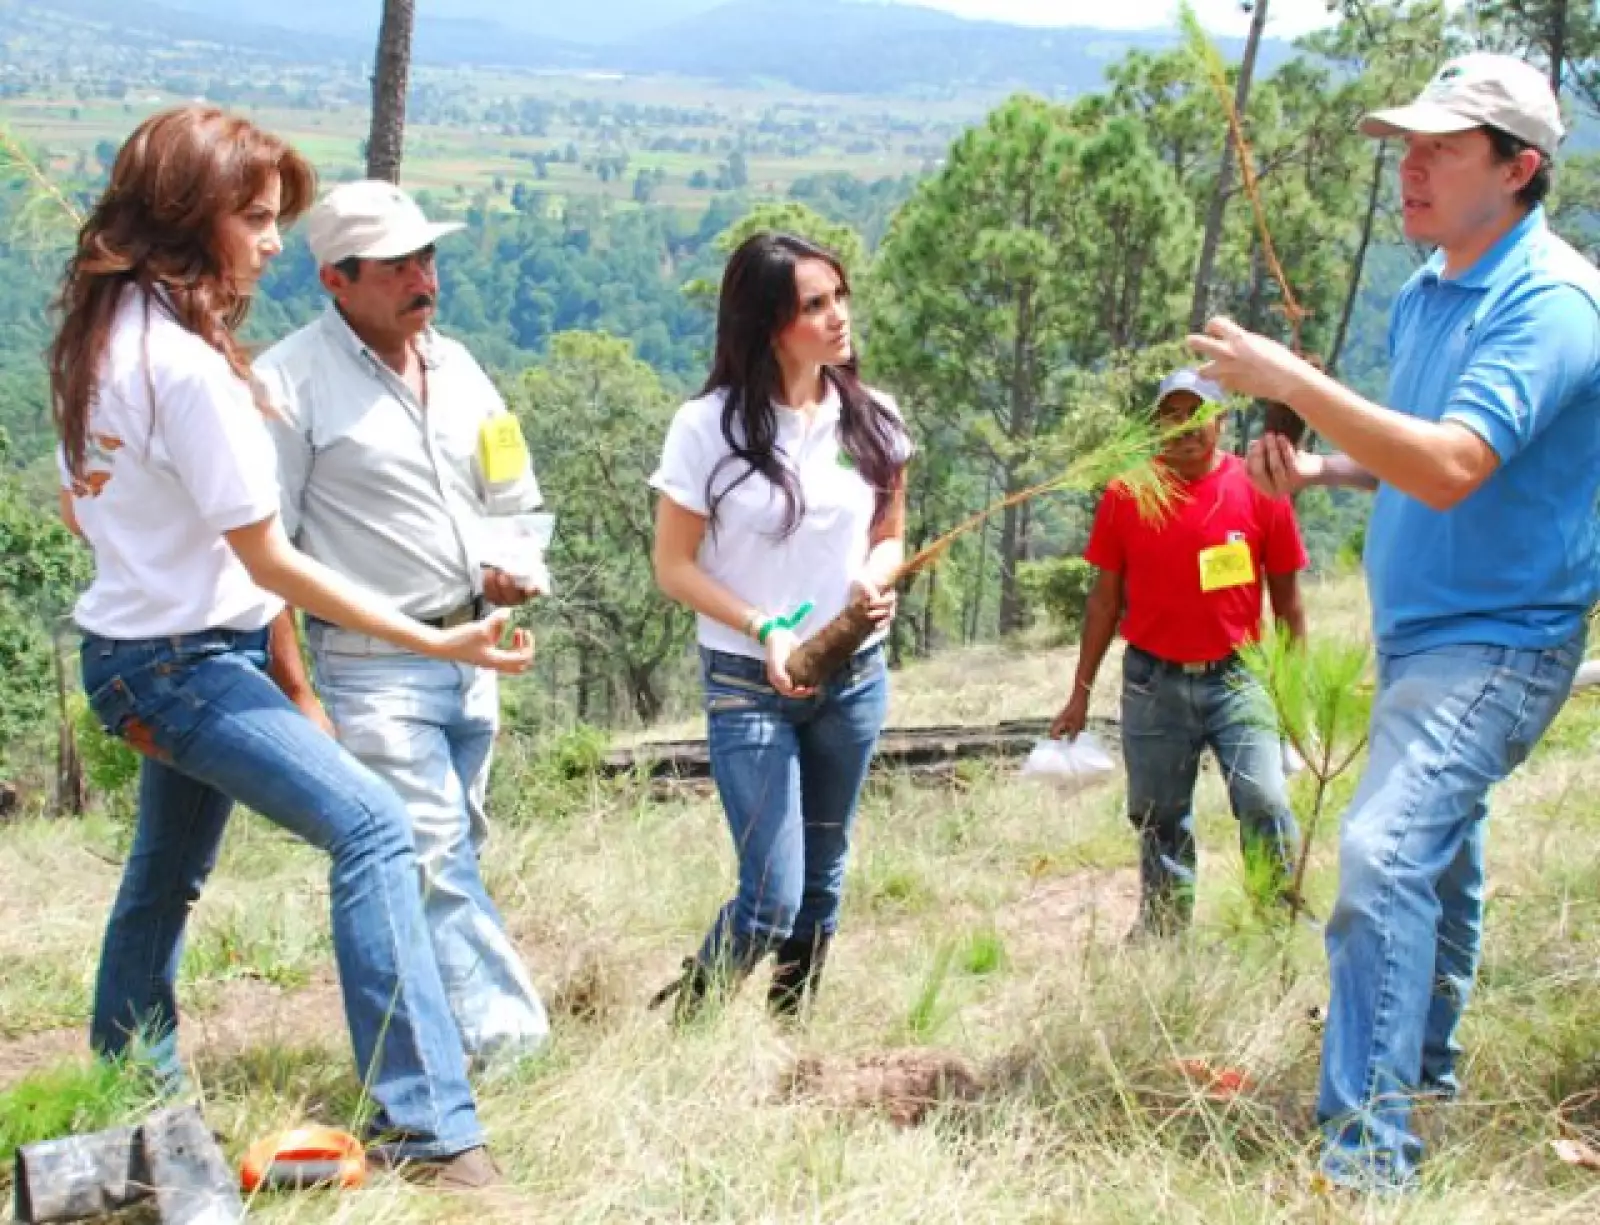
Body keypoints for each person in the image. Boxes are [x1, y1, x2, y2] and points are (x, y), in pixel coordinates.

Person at [51, 105, 529, 1189]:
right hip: (185, 664)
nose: (273, 241)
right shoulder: (181, 368)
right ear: (191, 217)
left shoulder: (100, 334)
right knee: (372, 825)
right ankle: (428, 1125)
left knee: (166, 872)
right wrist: (432, 636)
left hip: (138, 652)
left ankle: (133, 1085)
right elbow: (276, 565)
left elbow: (87, 508)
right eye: (257, 218)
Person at [1189, 53, 1600, 1190]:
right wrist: (1320, 467)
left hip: (1500, 641)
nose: (1408, 167)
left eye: (1440, 149)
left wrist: (1297, 381)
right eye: (1405, 144)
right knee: (1438, 857)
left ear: (1518, 170)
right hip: (1423, 633)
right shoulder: (1432, 284)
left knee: (1378, 855)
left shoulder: (1552, 303)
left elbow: (1460, 462)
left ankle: (1366, 1164)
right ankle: (1421, 1078)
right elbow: (1422, 447)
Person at [254, 180, 551, 1068]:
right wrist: (296, 687)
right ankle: (511, 1051)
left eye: (427, 257)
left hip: (475, 652)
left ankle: (430, 1043)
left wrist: (514, 567)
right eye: (397, 266)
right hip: (373, 664)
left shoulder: (459, 366)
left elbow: (512, 493)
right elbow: (263, 550)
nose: (423, 277)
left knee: (456, 846)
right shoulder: (288, 384)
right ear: (337, 281)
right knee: (433, 861)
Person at [646, 231, 912, 1022]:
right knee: (771, 893)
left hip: (853, 675)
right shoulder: (709, 427)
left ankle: (787, 1030)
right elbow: (674, 564)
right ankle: (688, 1023)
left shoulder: (873, 418)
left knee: (824, 877)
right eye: (814, 304)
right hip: (747, 683)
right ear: (768, 324)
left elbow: (889, 532)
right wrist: (764, 626)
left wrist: (875, 576)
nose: (839, 317)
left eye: (841, 296)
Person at [1049, 370, 1308, 936]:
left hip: (1241, 677)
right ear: (1155, 423)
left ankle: (1278, 928)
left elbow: (1288, 602)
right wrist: (1080, 694)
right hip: (1153, 682)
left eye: (1198, 415)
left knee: (1264, 800)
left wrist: (1294, 690)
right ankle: (1164, 934)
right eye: (1173, 415)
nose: (1186, 429)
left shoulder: (1258, 488)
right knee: (1159, 815)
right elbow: (1103, 603)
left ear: (1221, 420)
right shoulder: (1127, 494)